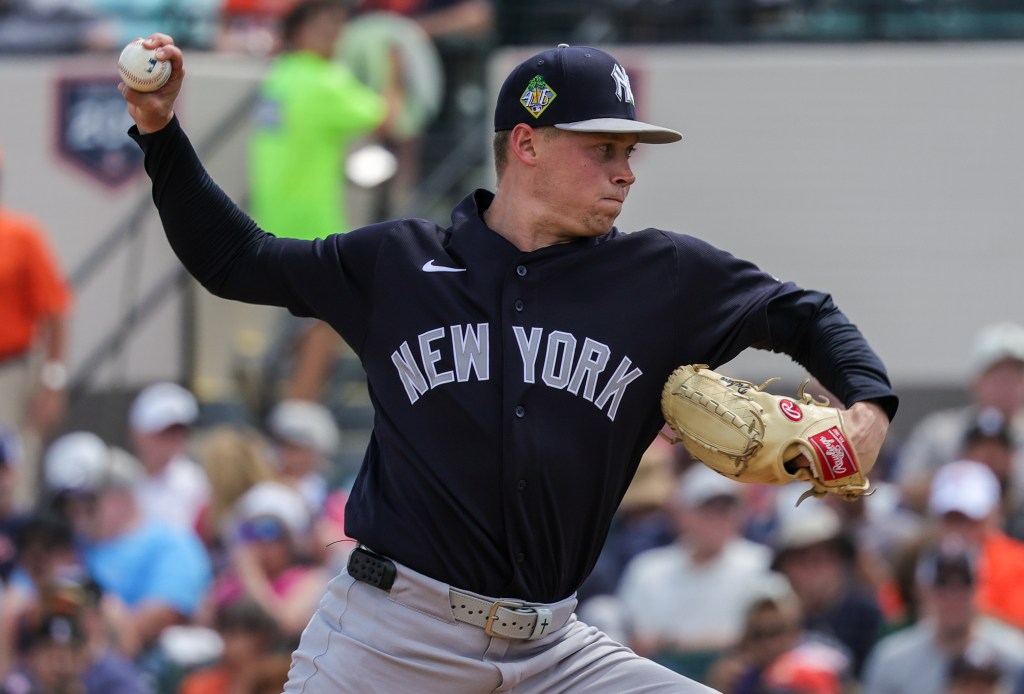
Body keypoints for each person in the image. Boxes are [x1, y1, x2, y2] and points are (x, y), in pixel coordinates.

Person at [120, 36, 896, 692]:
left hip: (553, 650)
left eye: (629, 152)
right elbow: (236, 260)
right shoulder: (398, 263)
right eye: (603, 150)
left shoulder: (663, 279)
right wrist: (160, 134)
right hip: (392, 640)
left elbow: (802, 312)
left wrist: (868, 407)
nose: (626, 171)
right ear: (527, 144)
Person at [42, 431, 212, 659]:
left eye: (87, 500)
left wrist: (99, 606)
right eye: (66, 504)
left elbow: (140, 630)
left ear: (119, 494)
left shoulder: (173, 543)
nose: (75, 513)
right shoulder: (65, 546)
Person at [615, 464, 790, 680]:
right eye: (709, 508)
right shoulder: (648, 569)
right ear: (682, 515)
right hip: (661, 678)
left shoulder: (761, 563)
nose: (719, 517)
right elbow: (637, 643)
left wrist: (674, 643)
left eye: (727, 508)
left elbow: (775, 634)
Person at [0, 148, 73, 510]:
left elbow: (56, 310)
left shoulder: (20, 235)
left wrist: (53, 380)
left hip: (12, 371)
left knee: (15, 468)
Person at [895, 321, 1024, 515]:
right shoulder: (939, 431)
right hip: (949, 530)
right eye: (997, 374)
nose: (1006, 384)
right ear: (976, 379)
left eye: (1015, 375)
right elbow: (902, 490)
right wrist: (960, 476)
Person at [861, 542, 1024, 694]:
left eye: (963, 584)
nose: (952, 596)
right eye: (942, 583)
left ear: (979, 588)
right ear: (922, 590)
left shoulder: (1016, 657)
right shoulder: (891, 660)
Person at [128, 381, 210, 533]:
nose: (175, 439)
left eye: (180, 431)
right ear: (138, 433)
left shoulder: (196, 484)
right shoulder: (124, 481)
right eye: (164, 432)